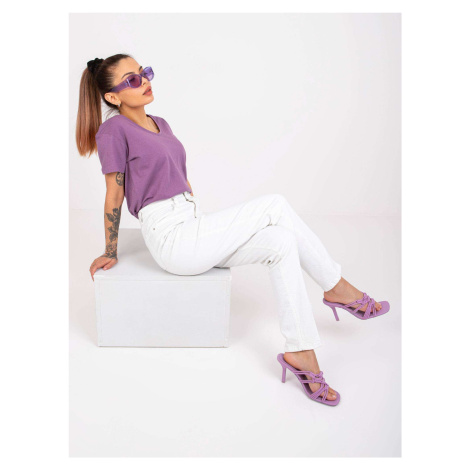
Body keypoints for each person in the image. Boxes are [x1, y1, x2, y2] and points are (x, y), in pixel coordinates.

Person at [76, 53, 390, 405]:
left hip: (193, 224)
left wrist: (196, 213)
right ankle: (337, 288)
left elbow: (178, 176)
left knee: (281, 242)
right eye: (132, 79)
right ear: (112, 96)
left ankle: (301, 351)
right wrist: (110, 249)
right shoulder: (113, 130)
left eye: (144, 72)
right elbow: (114, 193)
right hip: (171, 237)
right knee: (274, 205)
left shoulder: (160, 122)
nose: (145, 81)